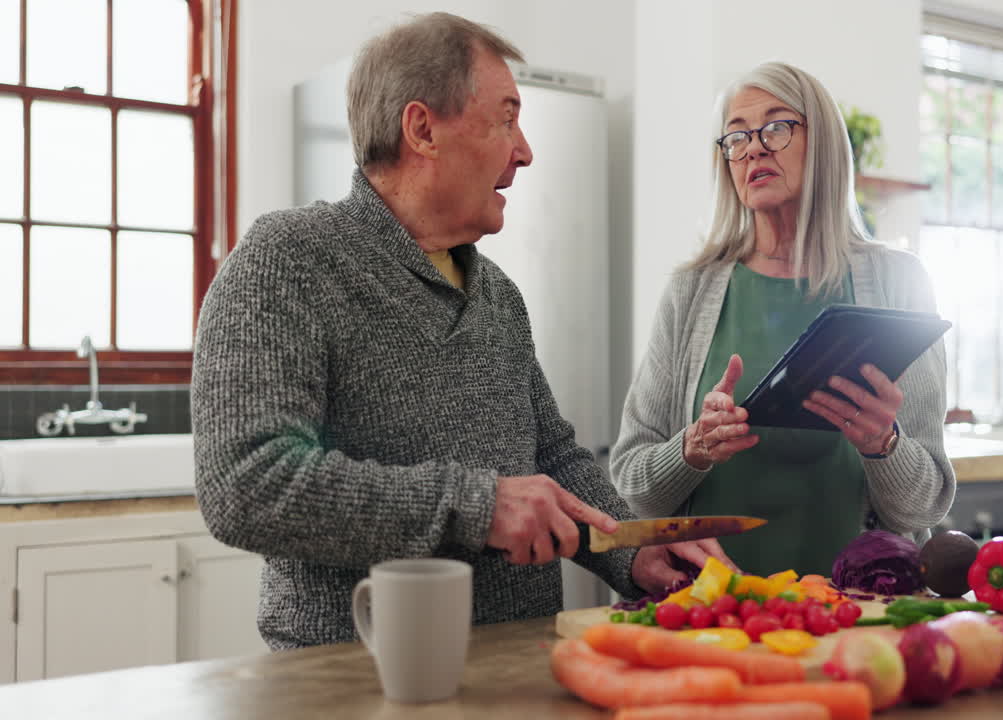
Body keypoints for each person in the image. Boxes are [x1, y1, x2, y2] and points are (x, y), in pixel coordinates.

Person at [191, 12, 732, 650]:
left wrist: (632, 551)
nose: (525, 150)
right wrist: (475, 506)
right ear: (422, 129)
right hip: (355, 677)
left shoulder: (498, 293)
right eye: (507, 117)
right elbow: (245, 485)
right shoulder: (289, 259)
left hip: (519, 665)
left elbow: (550, 457)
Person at [611, 61, 955, 578]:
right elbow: (634, 489)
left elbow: (923, 508)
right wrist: (692, 448)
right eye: (736, 137)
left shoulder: (898, 283)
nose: (753, 148)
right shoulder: (692, 291)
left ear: (824, 145)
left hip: (860, 611)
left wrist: (882, 444)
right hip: (712, 608)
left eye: (776, 127)